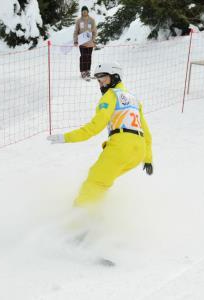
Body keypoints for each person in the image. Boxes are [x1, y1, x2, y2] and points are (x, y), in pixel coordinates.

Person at [47, 62, 153, 211]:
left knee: (95, 182)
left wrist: (66, 137)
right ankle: (96, 216)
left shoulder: (111, 96)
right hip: (138, 153)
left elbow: (94, 127)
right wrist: (147, 159)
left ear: (115, 77)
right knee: (103, 182)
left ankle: (79, 221)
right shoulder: (134, 99)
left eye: (104, 79)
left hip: (121, 148)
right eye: (98, 81)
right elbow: (146, 133)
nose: (101, 84)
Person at [73, 6, 97, 80]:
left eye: (85, 11)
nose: (84, 12)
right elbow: (76, 31)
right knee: (83, 57)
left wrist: (93, 40)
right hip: (82, 42)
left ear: (88, 12)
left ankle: (88, 71)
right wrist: (75, 40)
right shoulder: (79, 21)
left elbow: (95, 31)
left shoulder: (92, 20)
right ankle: (83, 72)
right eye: (83, 11)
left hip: (90, 43)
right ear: (81, 12)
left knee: (89, 57)